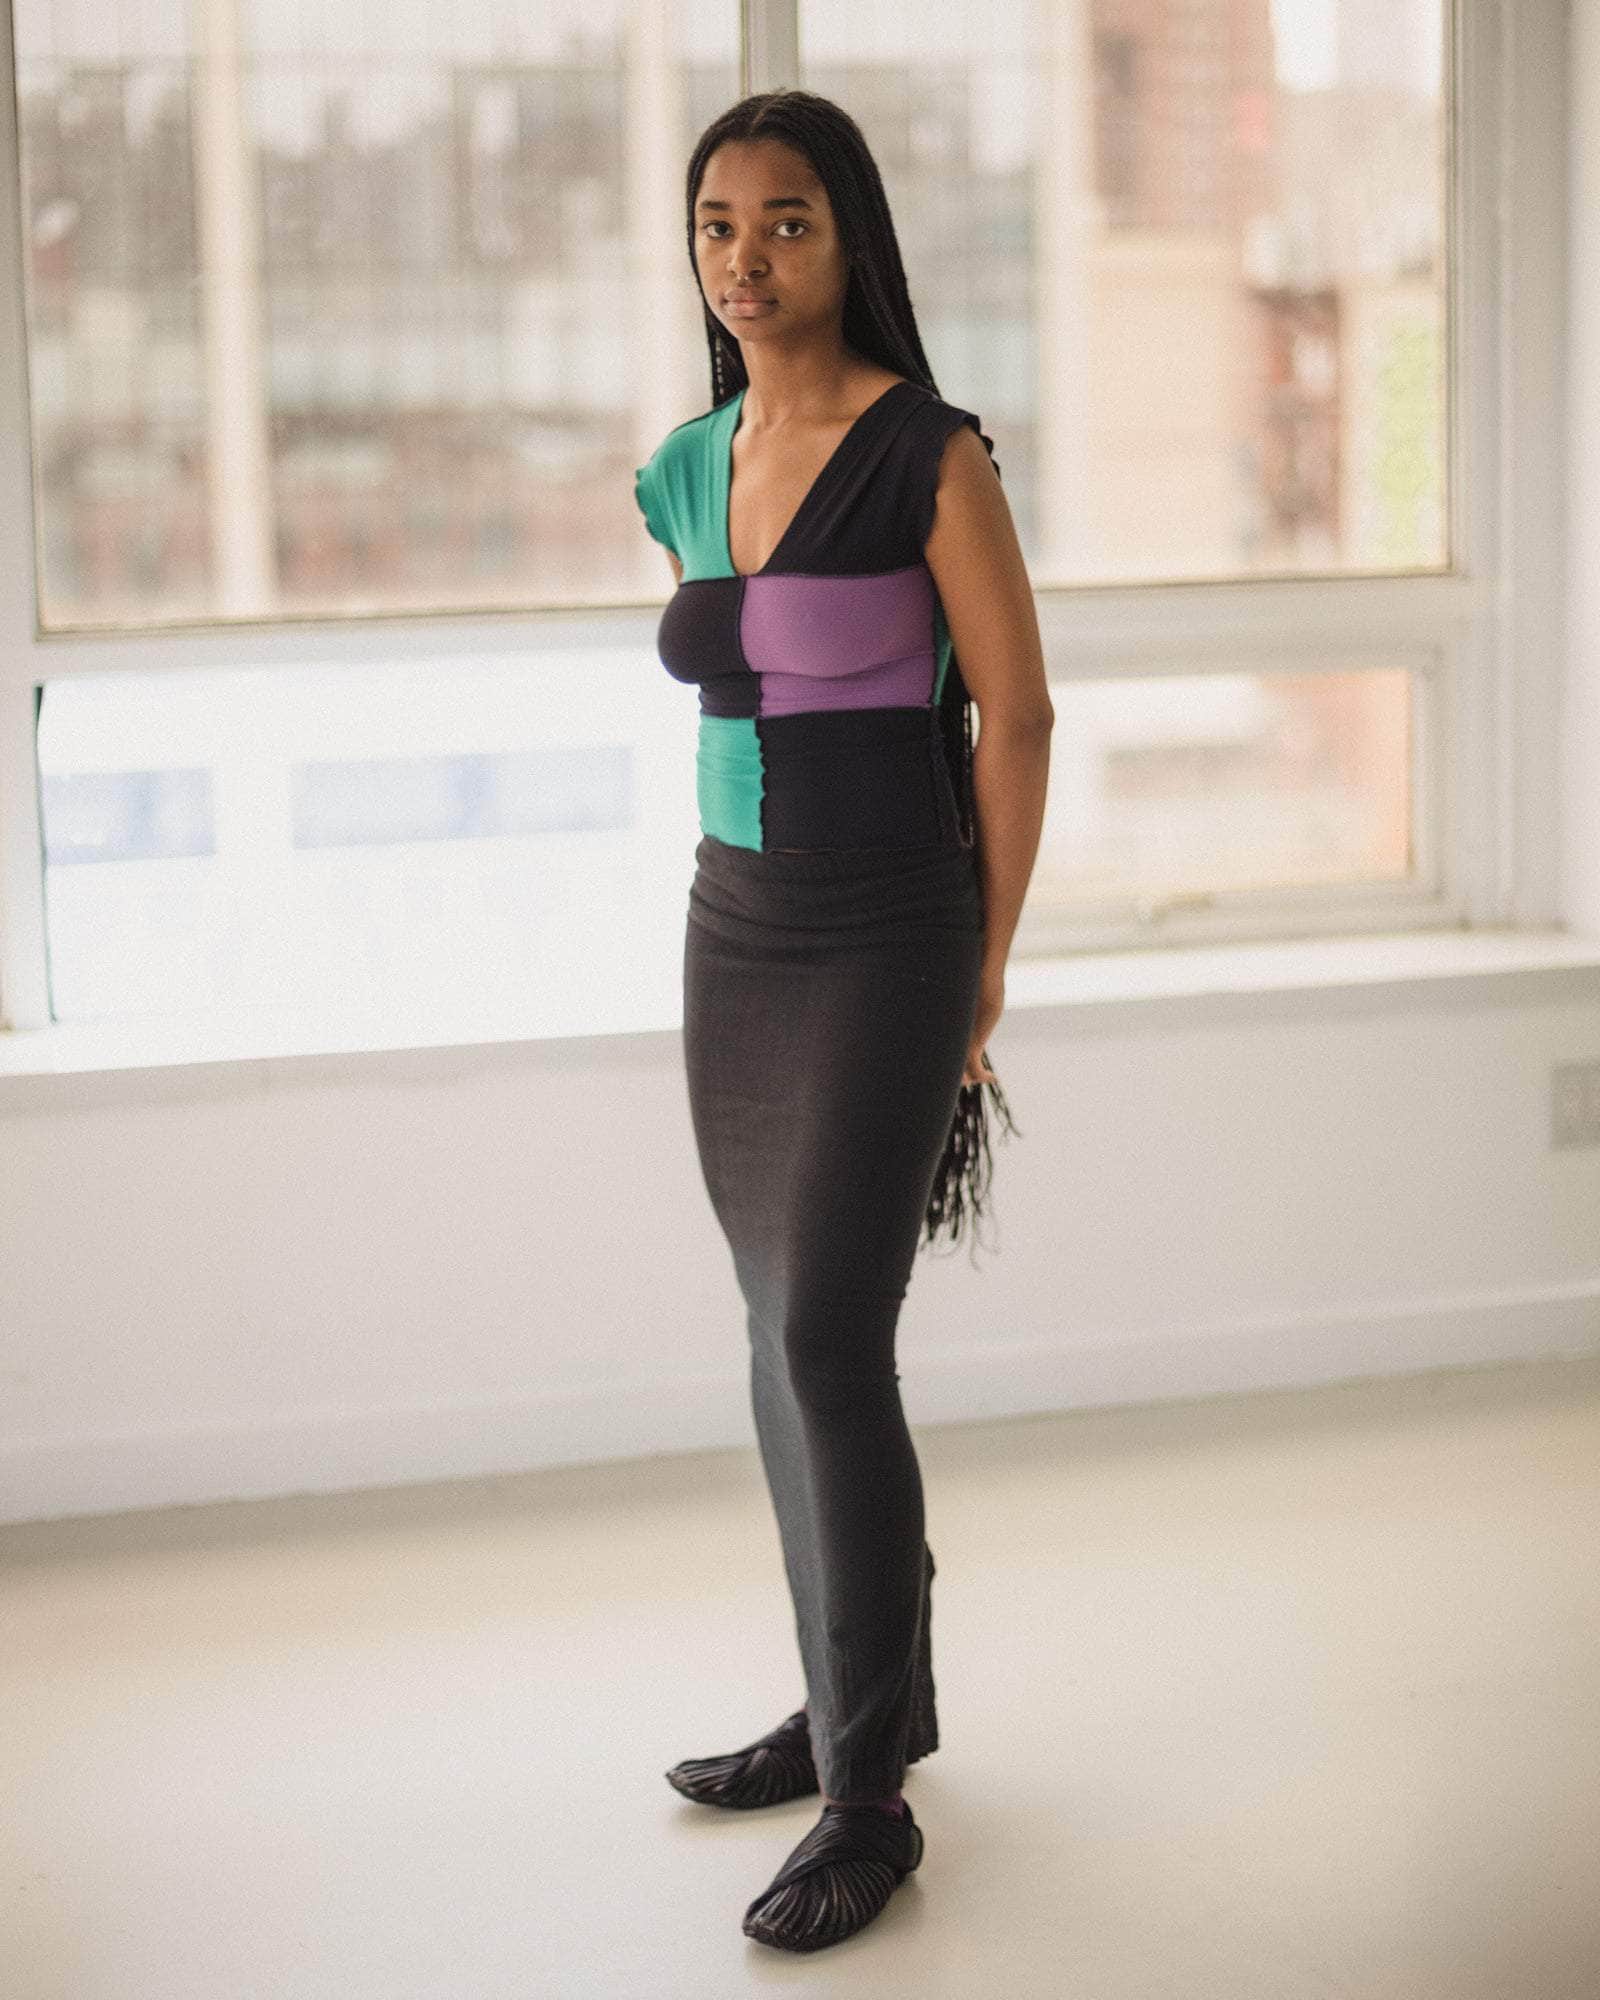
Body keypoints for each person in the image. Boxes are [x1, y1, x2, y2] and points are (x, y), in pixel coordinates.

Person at [633, 88, 1053, 1953]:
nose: (745, 258)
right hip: (735, 928)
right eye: (717, 225)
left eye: (786, 222)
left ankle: (868, 1802)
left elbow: (1017, 717)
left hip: (893, 928)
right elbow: (736, 694)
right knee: (769, 1327)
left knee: (828, 1338)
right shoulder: (684, 463)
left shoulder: (929, 455)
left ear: (851, 239)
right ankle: (857, 1698)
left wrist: (985, 965)